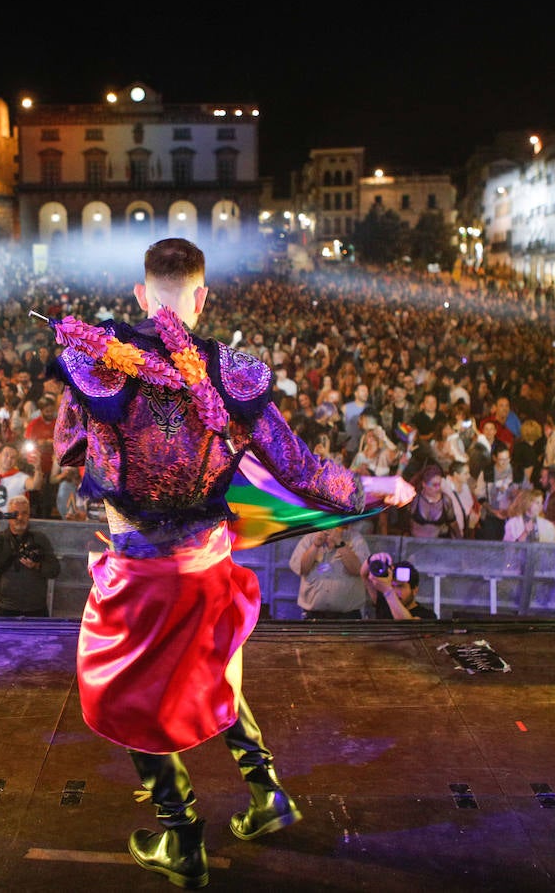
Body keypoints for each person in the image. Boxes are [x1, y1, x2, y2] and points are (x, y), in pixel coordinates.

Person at [50, 239, 413, 888]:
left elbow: (69, 449)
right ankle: (267, 791)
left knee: (131, 695)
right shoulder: (235, 374)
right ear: (202, 296)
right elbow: (301, 468)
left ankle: (182, 836)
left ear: (141, 294)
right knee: (212, 671)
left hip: (137, 570)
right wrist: (377, 488)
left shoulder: (94, 363)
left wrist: (120, 460)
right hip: (208, 564)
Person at [0, 494, 61, 616]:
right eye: (15, 513)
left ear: (29, 516)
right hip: (6, 606)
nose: (20, 517)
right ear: (8, 516)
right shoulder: (0, 538)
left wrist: (37, 566)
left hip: (35, 607)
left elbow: (55, 570)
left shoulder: (39, 538)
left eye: (24, 513)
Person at [289, 524, 371, 619]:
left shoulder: (356, 538)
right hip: (313, 616)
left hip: (348, 617)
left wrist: (339, 542)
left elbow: (358, 570)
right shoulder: (309, 538)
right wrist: (315, 545)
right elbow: (302, 569)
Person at [361, 552, 437, 620]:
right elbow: (364, 574)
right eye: (391, 585)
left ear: (415, 590)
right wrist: (372, 559)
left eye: (400, 586)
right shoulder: (384, 603)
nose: (395, 591)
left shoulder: (427, 616)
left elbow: (406, 627)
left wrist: (388, 591)